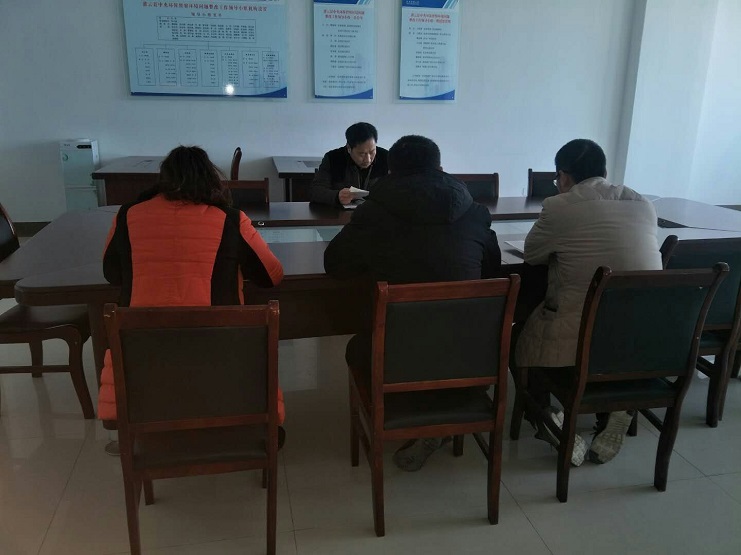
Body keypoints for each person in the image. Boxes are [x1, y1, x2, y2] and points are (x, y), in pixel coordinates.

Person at [324, 134, 502, 470]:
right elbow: (493, 271)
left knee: (360, 346)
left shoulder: (374, 212)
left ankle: (414, 417)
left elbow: (335, 265)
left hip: (395, 357)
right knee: (441, 339)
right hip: (469, 357)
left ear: (391, 171)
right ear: (440, 168)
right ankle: (443, 417)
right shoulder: (475, 212)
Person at [97, 146, 285, 429]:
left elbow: (112, 274)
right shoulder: (231, 219)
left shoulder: (128, 215)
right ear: (211, 179)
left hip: (142, 351)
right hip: (221, 348)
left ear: (163, 179)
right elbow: (271, 276)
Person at [514, 138, 662, 466]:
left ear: (564, 176)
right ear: (604, 171)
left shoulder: (560, 206)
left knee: (518, 339)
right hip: (639, 339)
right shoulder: (644, 204)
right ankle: (615, 411)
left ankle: (549, 418)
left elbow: (532, 254)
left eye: (557, 178)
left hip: (581, 336)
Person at [309, 122, 389, 206]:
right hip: (341, 213)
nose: (368, 159)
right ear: (349, 148)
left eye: (372, 152)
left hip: (375, 211)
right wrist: (337, 196)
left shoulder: (386, 157)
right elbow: (315, 191)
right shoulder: (333, 159)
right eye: (362, 154)